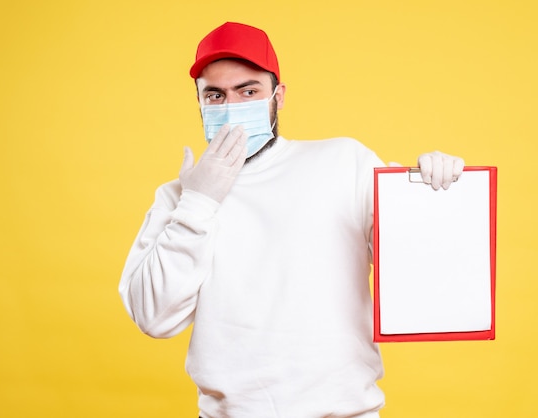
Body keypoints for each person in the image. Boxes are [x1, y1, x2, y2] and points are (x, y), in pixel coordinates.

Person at [119, 21, 464, 418]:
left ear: (277, 97)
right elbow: (152, 317)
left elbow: (419, 267)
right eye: (215, 95)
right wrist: (199, 201)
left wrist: (437, 190)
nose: (231, 107)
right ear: (199, 102)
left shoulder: (344, 163)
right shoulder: (179, 196)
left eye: (248, 91)